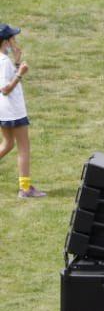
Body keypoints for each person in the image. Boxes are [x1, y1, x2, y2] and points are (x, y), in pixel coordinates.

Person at [0, 25, 44, 198]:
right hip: (13, 111)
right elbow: (5, 88)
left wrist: (17, 62)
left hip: (4, 110)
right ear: (6, 41)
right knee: (23, 147)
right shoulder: (3, 61)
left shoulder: (4, 60)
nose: (15, 41)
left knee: (8, 144)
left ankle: (25, 188)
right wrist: (21, 73)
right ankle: (25, 189)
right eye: (13, 38)